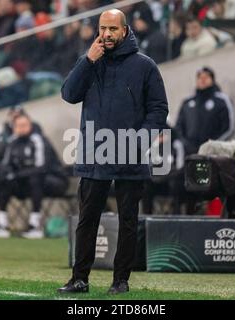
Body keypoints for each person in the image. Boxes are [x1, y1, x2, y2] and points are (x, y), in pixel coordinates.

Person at [59, 9, 168, 294]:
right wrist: (87, 60)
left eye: (112, 29)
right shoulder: (90, 61)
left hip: (129, 154)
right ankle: (79, 279)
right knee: (87, 219)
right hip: (95, 153)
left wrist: (139, 142)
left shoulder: (145, 66)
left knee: (128, 221)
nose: (106, 34)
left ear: (124, 30)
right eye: (102, 28)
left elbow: (159, 109)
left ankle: (121, 281)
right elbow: (69, 94)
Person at [0, 113, 67, 239]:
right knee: (3, 177)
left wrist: (16, 175)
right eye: (18, 125)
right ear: (13, 127)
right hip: (25, 182)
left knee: (35, 178)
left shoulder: (38, 140)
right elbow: (6, 164)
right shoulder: (12, 141)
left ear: (30, 125)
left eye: (24, 125)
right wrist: (8, 174)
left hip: (53, 182)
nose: (21, 128)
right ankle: (1, 224)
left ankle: (35, 225)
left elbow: (41, 168)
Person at [173, 66, 235, 214]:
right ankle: (186, 218)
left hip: (212, 156)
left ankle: (214, 220)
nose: (202, 80)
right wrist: (185, 144)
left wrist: (212, 146)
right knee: (187, 189)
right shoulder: (188, 102)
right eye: (199, 77)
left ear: (212, 80)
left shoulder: (221, 100)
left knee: (211, 189)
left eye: (206, 77)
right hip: (190, 155)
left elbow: (230, 127)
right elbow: (178, 128)